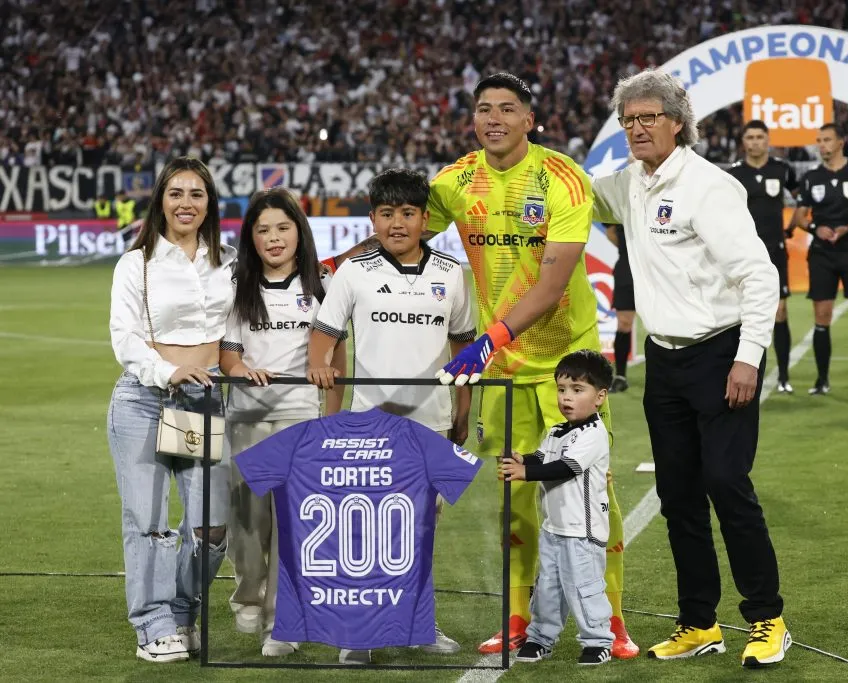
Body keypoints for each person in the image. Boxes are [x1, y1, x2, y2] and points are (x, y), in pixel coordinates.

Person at [428, 72, 637, 659]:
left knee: (595, 497)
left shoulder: (562, 178)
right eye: (484, 109)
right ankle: (517, 619)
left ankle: (611, 620)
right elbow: (401, 230)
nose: (494, 118)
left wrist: (486, 339)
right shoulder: (453, 182)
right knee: (517, 498)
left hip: (569, 367)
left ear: (529, 119)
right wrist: (331, 263)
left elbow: (551, 283)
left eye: (508, 109)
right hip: (505, 374)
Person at [591, 69, 790, 668]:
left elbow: (760, 276)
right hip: (666, 361)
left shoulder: (708, 186)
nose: (637, 128)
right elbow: (573, 192)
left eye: (649, 117)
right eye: (629, 120)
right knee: (678, 495)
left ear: (678, 122)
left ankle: (768, 618)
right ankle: (699, 621)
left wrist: (748, 358)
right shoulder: (629, 184)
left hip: (721, 354)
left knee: (727, 485)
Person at [307, 168, 476, 664]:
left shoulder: (450, 274)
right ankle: (357, 634)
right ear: (372, 219)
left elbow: (464, 346)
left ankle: (417, 624)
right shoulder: (353, 272)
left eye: (407, 213)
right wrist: (321, 375)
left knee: (422, 530)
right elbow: (326, 336)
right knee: (365, 531)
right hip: (369, 426)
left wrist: (464, 411)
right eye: (386, 214)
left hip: (433, 424)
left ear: (426, 219)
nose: (397, 223)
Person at [107, 156, 235, 662]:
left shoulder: (228, 261)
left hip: (201, 404)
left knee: (211, 526)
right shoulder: (135, 263)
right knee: (150, 522)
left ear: (209, 203)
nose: (186, 203)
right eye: (176, 193)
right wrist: (168, 372)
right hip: (145, 400)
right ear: (161, 200)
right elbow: (126, 338)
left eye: (197, 194)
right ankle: (154, 623)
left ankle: (183, 608)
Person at [219, 188, 340, 657]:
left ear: (299, 232)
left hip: (301, 418)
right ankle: (247, 594)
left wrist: (329, 421)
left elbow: (335, 359)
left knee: (291, 525)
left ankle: (279, 622)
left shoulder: (321, 286)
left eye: (283, 228)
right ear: (251, 236)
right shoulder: (235, 285)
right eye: (263, 229)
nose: (274, 238)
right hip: (246, 417)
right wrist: (238, 371)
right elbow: (228, 355)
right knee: (247, 522)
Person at [500, 350, 616, 667]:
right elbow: (543, 458)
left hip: (582, 532)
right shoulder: (556, 431)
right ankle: (541, 637)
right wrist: (523, 460)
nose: (566, 397)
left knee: (583, 588)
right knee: (548, 588)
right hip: (553, 529)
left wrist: (525, 473)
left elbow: (565, 468)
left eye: (577, 390)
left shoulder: (594, 435)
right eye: (562, 389)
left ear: (600, 397)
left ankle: (598, 640)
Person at [792, 124, 848, 396]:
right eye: (819, 140)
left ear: (840, 142)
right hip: (821, 253)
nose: (821, 145)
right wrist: (813, 228)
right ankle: (822, 380)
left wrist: (847, 228)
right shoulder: (811, 177)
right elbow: (799, 217)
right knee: (821, 316)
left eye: (827, 140)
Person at [726, 120, 800, 393]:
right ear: (743, 142)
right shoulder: (733, 174)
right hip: (741, 254)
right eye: (750, 137)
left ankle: (782, 377)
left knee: (780, 312)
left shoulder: (782, 170)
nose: (755, 142)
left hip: (775, 252)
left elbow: (802, 200)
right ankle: (740, 371)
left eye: (760, 137)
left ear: (768, 140)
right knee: (739, 314)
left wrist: (793, 226)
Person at [605, 224, 634, 392]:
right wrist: (627, 248)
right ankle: (620, 376)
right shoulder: (622, 200)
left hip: (656, 267)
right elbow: (610, 230)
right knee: (624, 323)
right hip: (627, 268)